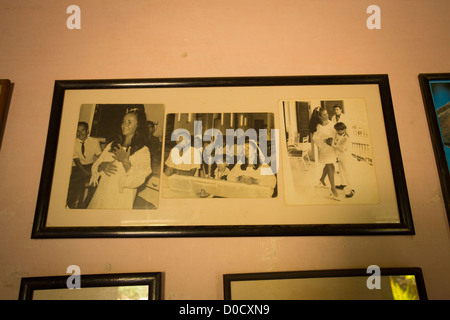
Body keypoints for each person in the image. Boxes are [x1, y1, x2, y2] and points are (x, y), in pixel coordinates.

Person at [88, 107, 152, 209]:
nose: (124, 125)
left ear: (138, 126)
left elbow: (138, 180)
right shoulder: (112, 144)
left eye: (129, 122)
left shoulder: (142, 151)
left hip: (120, 197)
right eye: (123, 121)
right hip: (103, 192)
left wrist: (126, 163)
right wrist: (101, 165)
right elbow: (95, 165)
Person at [66, 122, 101, 208]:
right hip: (77, 167)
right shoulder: (72, 142)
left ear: (87, 131)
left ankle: (86, 204)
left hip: (90, 166)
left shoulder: (94, 141)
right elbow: (77, 161)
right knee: (76, 183)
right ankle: (70, 205)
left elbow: (100, 156)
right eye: (77, 131)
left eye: (82, 130)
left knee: (98, 180)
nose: (80, 133)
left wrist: (97, 169)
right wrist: (86, 173)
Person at [310, 107, 339, 200]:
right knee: (330, 166)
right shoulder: (318, 126)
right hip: (323, 149)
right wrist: (323, 141)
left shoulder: (332, 124)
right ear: (319, 116)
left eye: (327, 114)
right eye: (324, 114)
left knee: (330, 165)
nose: (326, 116)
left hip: (331, 148)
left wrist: (332, 140)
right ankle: (333, 188)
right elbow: (315, 139)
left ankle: (322, 179)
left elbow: (336, 134)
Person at [332, 122, 355, 198]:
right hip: (340, 157)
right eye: (336, 130)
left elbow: (341, 148)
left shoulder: (346, 138)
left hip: (345, 157)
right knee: (341, 172)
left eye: (338, 130)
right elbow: (338, 143)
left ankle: (351, 189)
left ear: (344, 129)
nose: (337, 132)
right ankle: (343, 184)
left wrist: (333, 146)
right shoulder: (342, 136)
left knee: (346, 172)